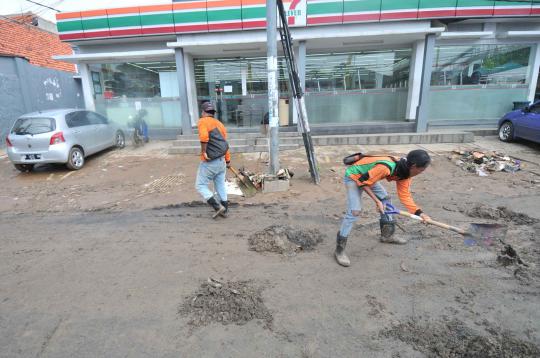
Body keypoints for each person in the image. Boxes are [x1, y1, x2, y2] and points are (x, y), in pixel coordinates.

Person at [335, 149, 432, 267]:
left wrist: (420, 213)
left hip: (369, 176)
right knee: (354, 211)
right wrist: (377, 201)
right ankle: (339, 250)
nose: (421, 172)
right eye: (421, 170)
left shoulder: (405, 173)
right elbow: (362, 182)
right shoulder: (385, 168)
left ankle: (387, 235)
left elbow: (405, 196)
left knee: (385, 199)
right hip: (354, 176)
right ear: (414, 166)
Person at [195, 102, 231, 219]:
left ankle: (217, 206)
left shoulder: (202, 121)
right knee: (220, 184)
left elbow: (204, 137)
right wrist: (228, 160)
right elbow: (224, 143)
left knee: (200, 185)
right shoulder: (219, 124)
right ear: (213, 113)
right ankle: (225, 208)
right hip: (222, 161)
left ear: (203, 112)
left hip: (210, 161)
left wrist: (204, 151)